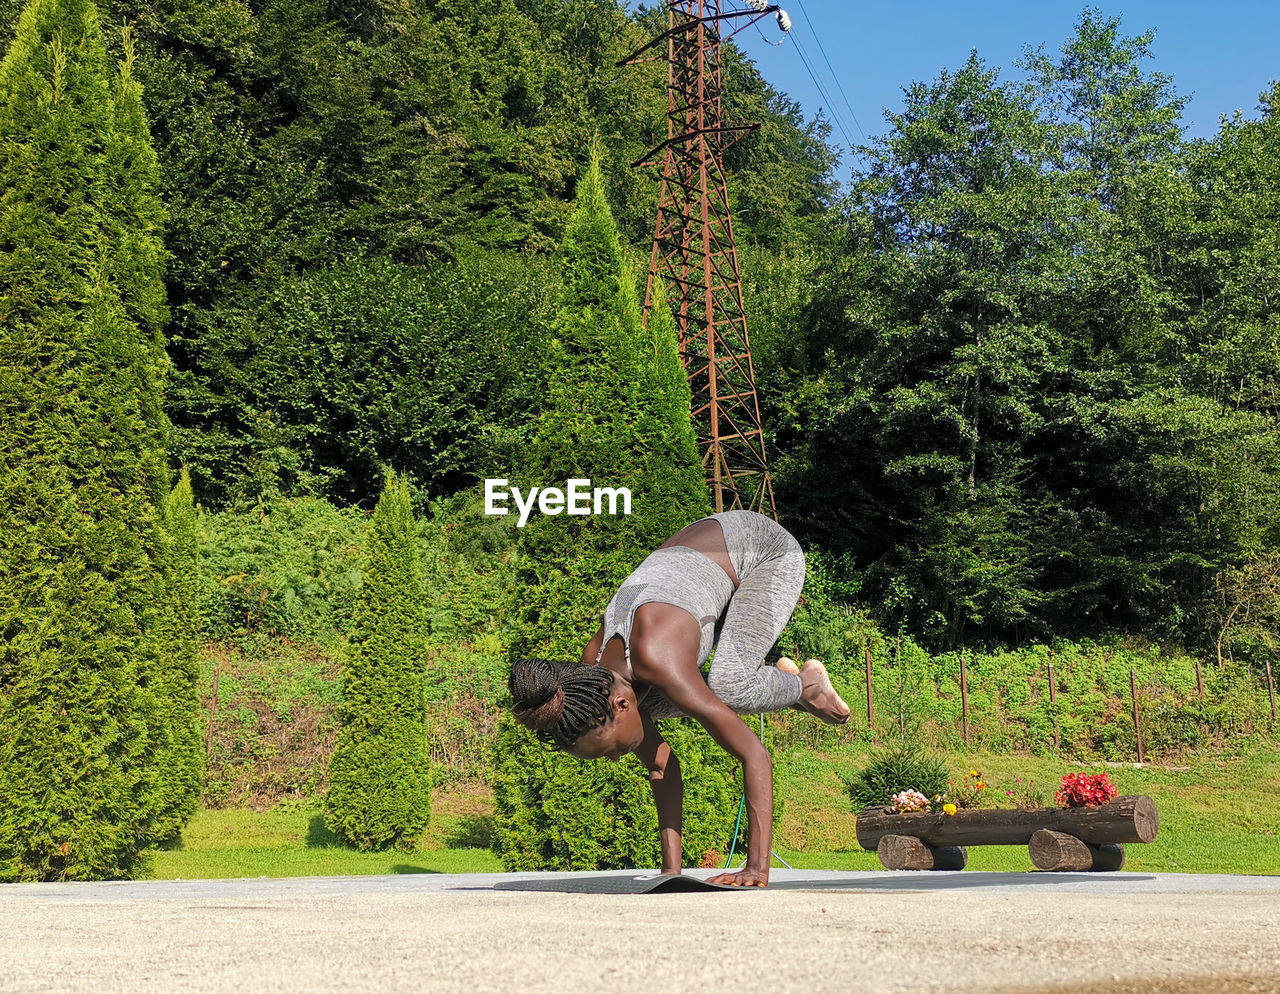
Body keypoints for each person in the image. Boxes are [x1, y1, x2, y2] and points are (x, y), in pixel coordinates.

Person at [508, 509, 850, 888]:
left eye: (611, 751)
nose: (619, 758)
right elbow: (660, 766)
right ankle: (779, 682)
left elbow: (753, 753)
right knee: (663, 702)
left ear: (620, 706)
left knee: (729, 686)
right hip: (700, 552)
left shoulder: (659, 657)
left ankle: (806, 685)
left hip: (763, 550)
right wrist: (670, 873)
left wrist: (756, 869)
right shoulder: (592, 679)